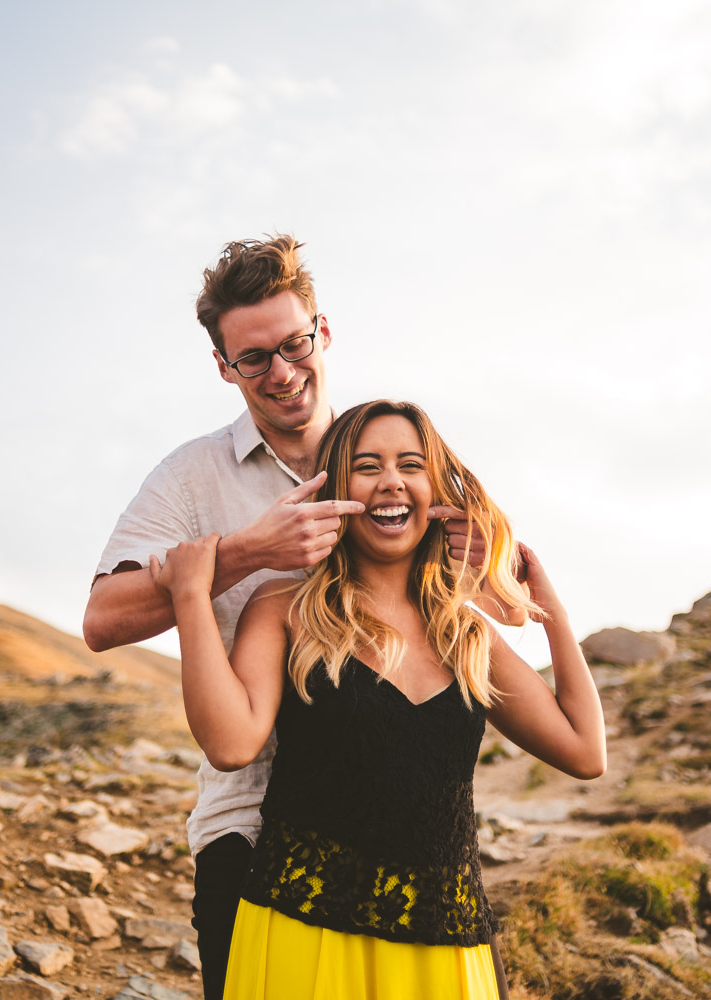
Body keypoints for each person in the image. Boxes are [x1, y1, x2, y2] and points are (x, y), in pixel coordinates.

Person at [85, 238, 509, 999]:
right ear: (224, 367)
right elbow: (101, 620)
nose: (282, 373)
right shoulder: (190, 476)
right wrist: (245, 553)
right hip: (249, 818)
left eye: (294, 344)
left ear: (323, 332)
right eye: (254, 359)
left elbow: (494, 594)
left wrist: (484, 571)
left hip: (401, 826)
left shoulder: (400, 455)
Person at [150, 399, 607, 999]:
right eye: (368, 466)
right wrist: (190, 596)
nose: (391, 479)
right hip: (304, 934)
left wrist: (551, 611)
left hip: (445, 946)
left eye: (410, 464)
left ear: (435, 489)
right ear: (338, 492)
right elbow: (231, 743)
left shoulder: (465, 633)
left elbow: (584, 751)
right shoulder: (287, 607)